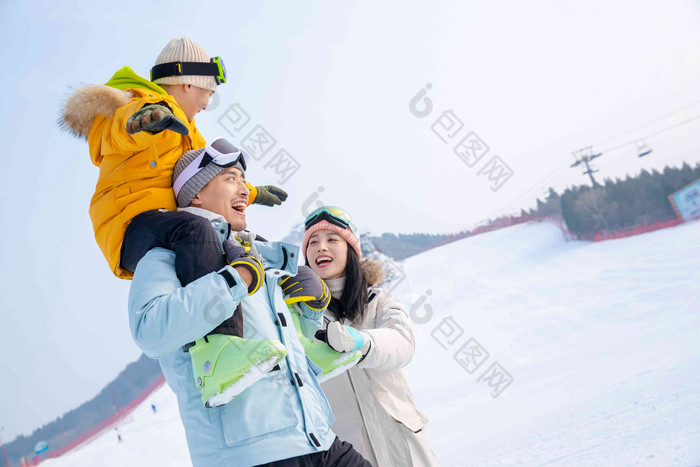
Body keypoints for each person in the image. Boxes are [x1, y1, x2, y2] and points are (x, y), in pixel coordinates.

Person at [59, 37, 288, 406]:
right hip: (129, 222)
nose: (205, 105)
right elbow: (112, 132)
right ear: (188, 83)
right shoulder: (135, 103)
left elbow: (210, 176)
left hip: (169, 223)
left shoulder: (189, 132)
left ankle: (260, 339)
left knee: (229, 242)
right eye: (206, 95)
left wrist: (251, 192)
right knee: (197, 228)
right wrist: (140, 122)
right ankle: (213, 353)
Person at [128, 141, 371, 466]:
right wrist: (235, 280)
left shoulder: (258, 255)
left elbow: (287, 353)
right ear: (196, 194)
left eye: (244, 179)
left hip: (318, 439)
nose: (245, 189)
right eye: (231, 178)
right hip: (251, 455)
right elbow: (150, 331)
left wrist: (312, 308)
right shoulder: (165, 259)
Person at [302, 206, 440, 466]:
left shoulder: (380, 302)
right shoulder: (301, 318)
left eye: (332, 239)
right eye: (312, 242)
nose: (321, 247)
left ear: (351, 251)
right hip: (348, 453)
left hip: (403, 442)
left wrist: (361, 342)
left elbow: (402, 343)